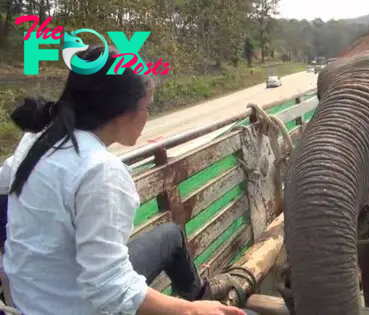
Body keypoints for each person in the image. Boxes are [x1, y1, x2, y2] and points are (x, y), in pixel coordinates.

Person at [0, 45, 248, 315]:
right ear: (121, 112)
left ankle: (202, 294)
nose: (148, 116)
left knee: (171, 235)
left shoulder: (37, 137)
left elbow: (4, 185)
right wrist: (190, 311)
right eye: (147, 107)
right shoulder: (101, 172)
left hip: (30, 297)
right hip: (77, 306)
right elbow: (110, 289)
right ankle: (200, 301)